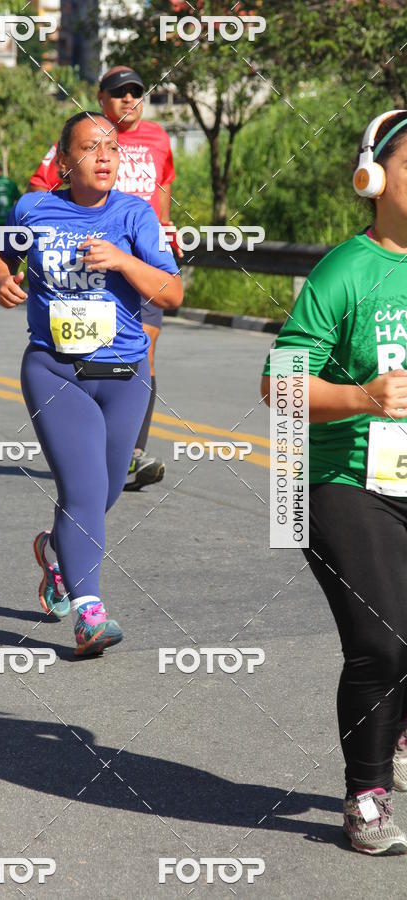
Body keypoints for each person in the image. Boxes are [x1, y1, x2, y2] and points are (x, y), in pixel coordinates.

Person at [261, 109, 407, 855]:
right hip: (338, 478)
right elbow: (278, 380)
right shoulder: (348, 270)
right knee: (383, 643)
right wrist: (364, 397)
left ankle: (398, 724)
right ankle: (366, 797)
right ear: (375, 179)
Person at [0, 111, 183, 655]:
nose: (104, 157)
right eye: (91, 148)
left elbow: (171, 294)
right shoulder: (33, 208)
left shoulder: (135, 215)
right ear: (65, 159)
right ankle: (88, 611)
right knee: (83, 490)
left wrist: (122, 260)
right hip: (54, 369)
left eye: (112, 148)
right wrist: (3, 279)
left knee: (107, 490)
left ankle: (55, 552)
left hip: (124, 374)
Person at [28, 66, 182, 491]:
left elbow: (165, 183)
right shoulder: (82, 137)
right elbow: (41, 188)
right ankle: (95, 439)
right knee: (90, 353)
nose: (129, 99)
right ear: (101, 98)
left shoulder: (158, 138)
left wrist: (163, 229)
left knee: (143, 353)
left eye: (136, 92)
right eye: (119, 93)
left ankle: (128, 451)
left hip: (140, 259)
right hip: (87, 265)